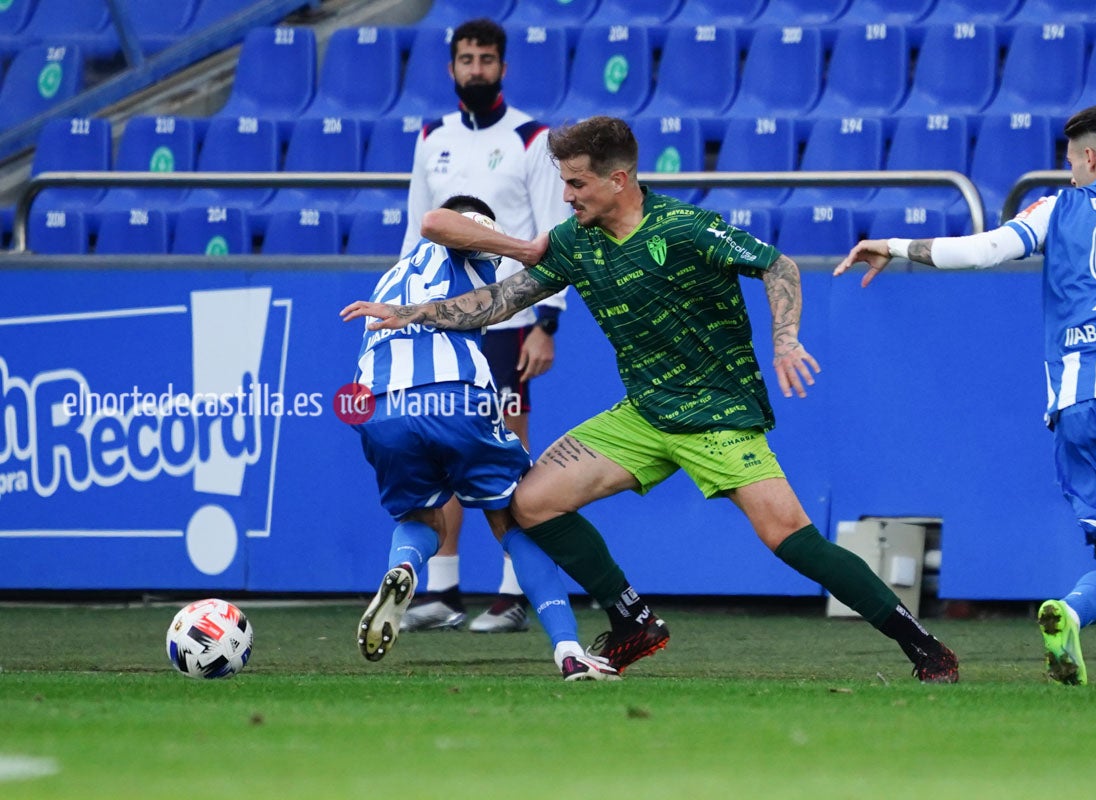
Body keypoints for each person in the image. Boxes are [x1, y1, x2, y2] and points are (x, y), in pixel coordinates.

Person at [343, 116, 960, 682]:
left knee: (788, 535)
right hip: (642, 413)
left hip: (718, 414)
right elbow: (503, 300)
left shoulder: (687, 228)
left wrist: (785, 338)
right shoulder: (574, 241)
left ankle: (922, 645)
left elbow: (779, 268)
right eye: (564, 182)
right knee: (531, 502)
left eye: (577, 183)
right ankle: (634, 620)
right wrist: (411, 312)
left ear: (618, 180)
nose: (567, 196)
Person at [835, 104, 1096, 685]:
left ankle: (1072, 613)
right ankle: (1072, 617)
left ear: (1087, 156)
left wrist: (896, 245)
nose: (1069, 173)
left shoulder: (1057, 209)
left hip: (1077, 409)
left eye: (1070, 162)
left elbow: (981, 251)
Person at [349, 194, 617, 682]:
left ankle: (405, 570)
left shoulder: (394, 275)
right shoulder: (466, 234)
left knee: (422, 517)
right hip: (452, 395)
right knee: (516, 516)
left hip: (378, 406)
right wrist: (518, 246)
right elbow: (438, 221)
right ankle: (569, 649)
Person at [399, 17, 570, 634]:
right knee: (438, 445)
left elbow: (554, 235)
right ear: (451, 68)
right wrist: (401, 307)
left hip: (509, 320)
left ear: (503, 66)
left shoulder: (531, 139)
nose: (477, 69)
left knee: (505, 450)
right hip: (442, 321)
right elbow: (414, 230)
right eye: (466, 59)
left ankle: (512, 593)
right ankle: (440, 591)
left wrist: (547, 323)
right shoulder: (431, 137)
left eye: (487, 59)